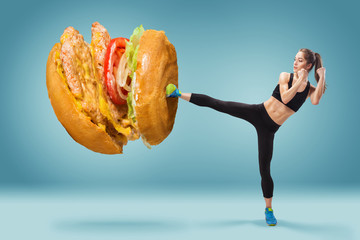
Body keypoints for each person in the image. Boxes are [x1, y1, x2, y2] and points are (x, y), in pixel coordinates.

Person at [165, 48, 327, 226]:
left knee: (264, 169)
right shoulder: (285, 77)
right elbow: (286, 98)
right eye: (294, 59)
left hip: (270, 129)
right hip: (258, 112)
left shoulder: (309, 89)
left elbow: (316, 100)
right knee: (220, 104)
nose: (295, 63)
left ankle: (269, 209)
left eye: (300, 61)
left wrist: (322, 75)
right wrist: (299, 81)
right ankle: (178, 94)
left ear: (309, 65)